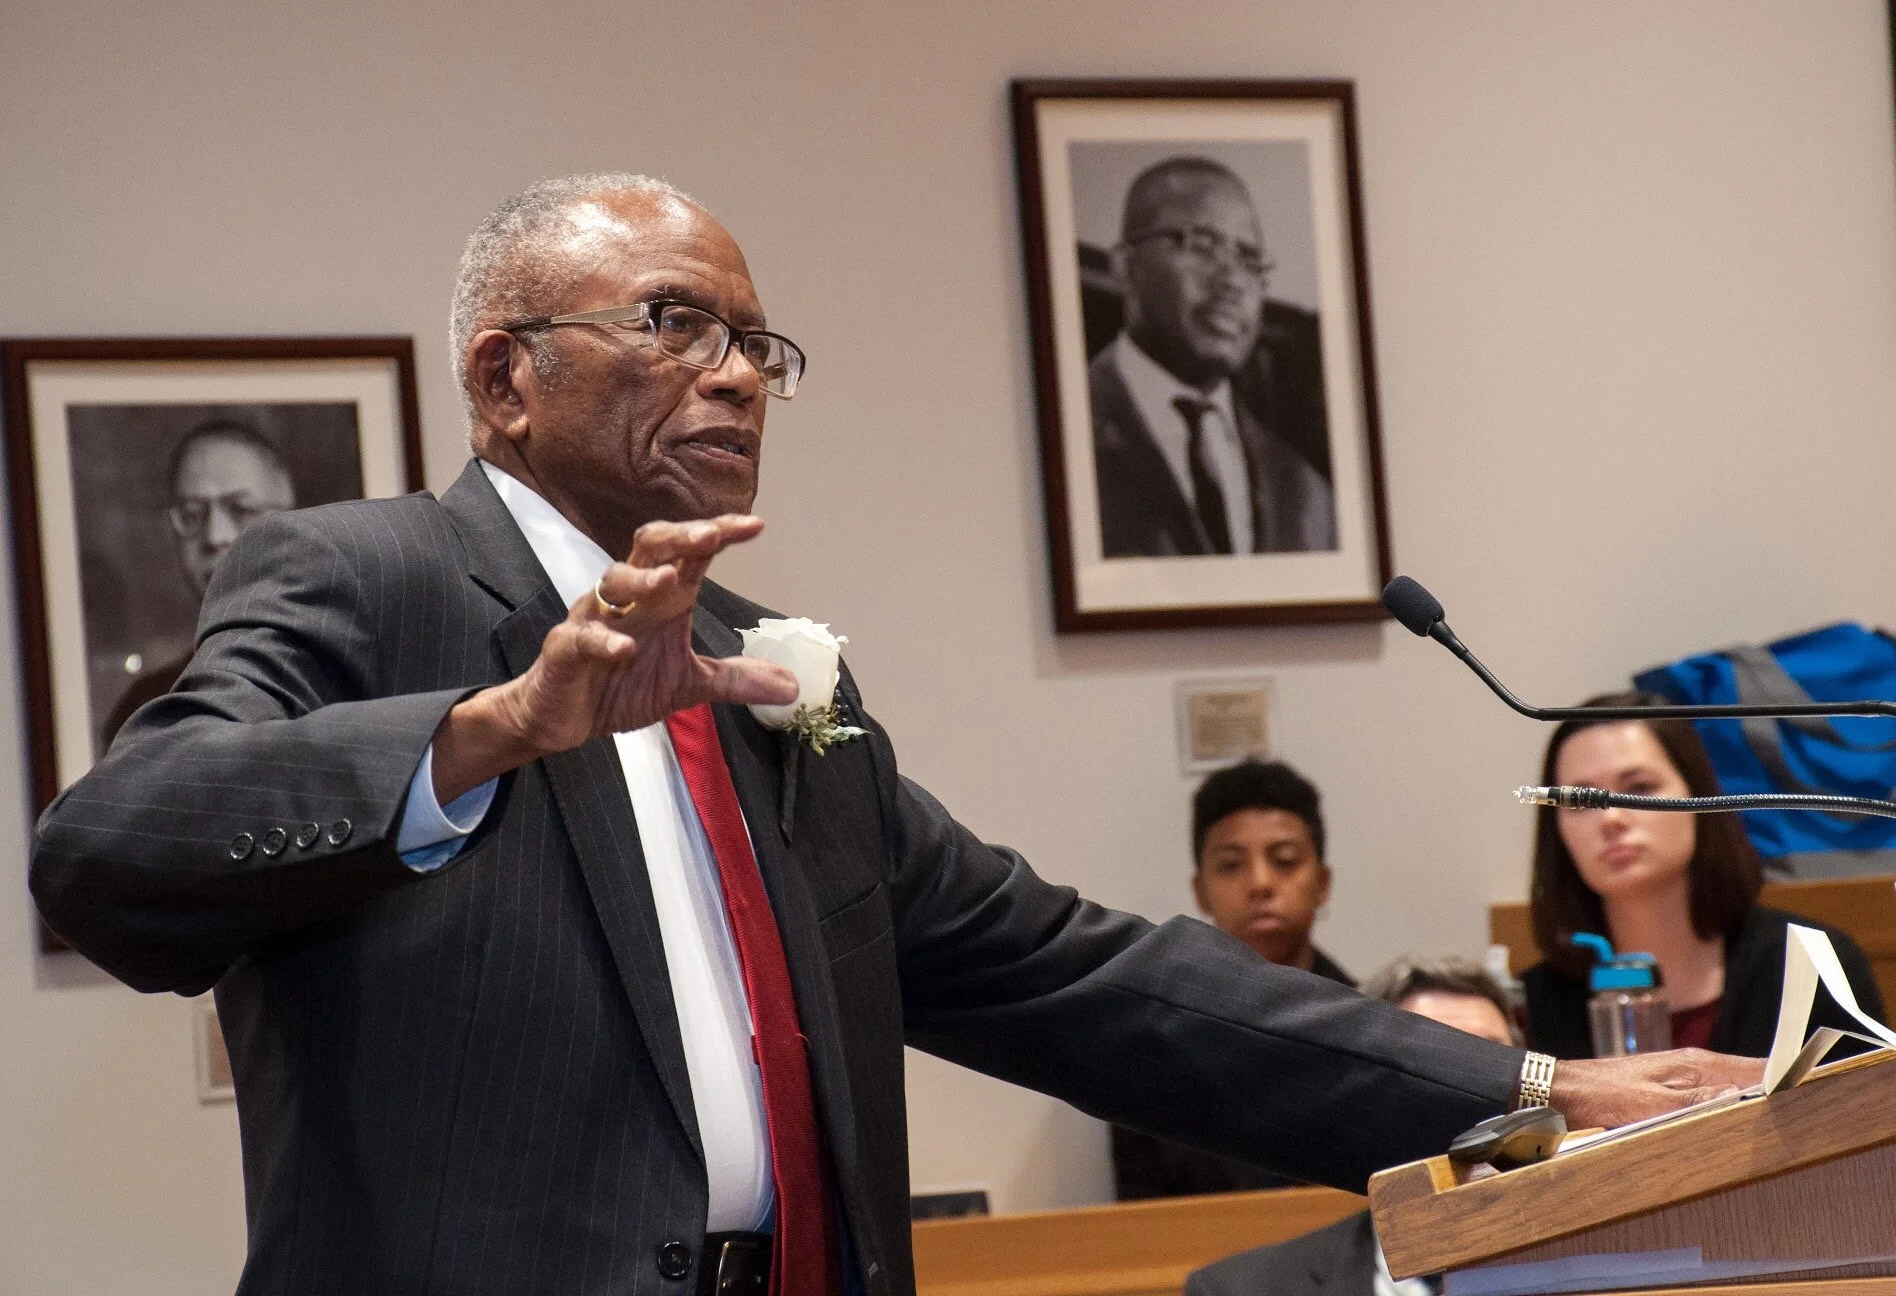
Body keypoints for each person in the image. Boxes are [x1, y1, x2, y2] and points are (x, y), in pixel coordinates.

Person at [32, 175, 1757, 1296]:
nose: (733, 374)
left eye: (755, 341)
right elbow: (113, 852)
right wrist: (491, 730)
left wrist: (1538, 1090)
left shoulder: (770, 680)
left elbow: (1080, 976)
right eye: (670, 324)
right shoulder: (359, 577)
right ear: (504, 381)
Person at [1520, 691, 1885, 1058]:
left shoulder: (1813, 964)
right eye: (1580, 801)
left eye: (1640, 788)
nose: (1611, 817)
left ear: (1698, 797)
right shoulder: (1532, 1004)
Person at [1187, 956, 1522, 1296]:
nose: (1466, 1097)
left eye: (1494, 1070)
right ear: (1368, 1100)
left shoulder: (1576, 1272)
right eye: (1433, 1069)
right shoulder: (1239, 1290)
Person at [1113, 759, 1352, 1200]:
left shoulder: (1374, 1027)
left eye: (1284, 861)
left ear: (1322, 882)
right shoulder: (1147, 1050)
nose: (1260, 884)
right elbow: (1140, 1234)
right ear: (1200, 890)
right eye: (1230, 865)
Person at [1089, 156, 1337, 559]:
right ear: (1126, 267)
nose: (1232, 280)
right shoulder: (1060, 436)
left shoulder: (1307, 493)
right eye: (1202, 245)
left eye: (1249, 258)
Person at [99, 418, 297, 746]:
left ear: (293, 520)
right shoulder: (147, 710)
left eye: (241, 509)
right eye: (192, 515)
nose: (214, 536)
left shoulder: (349, 678)